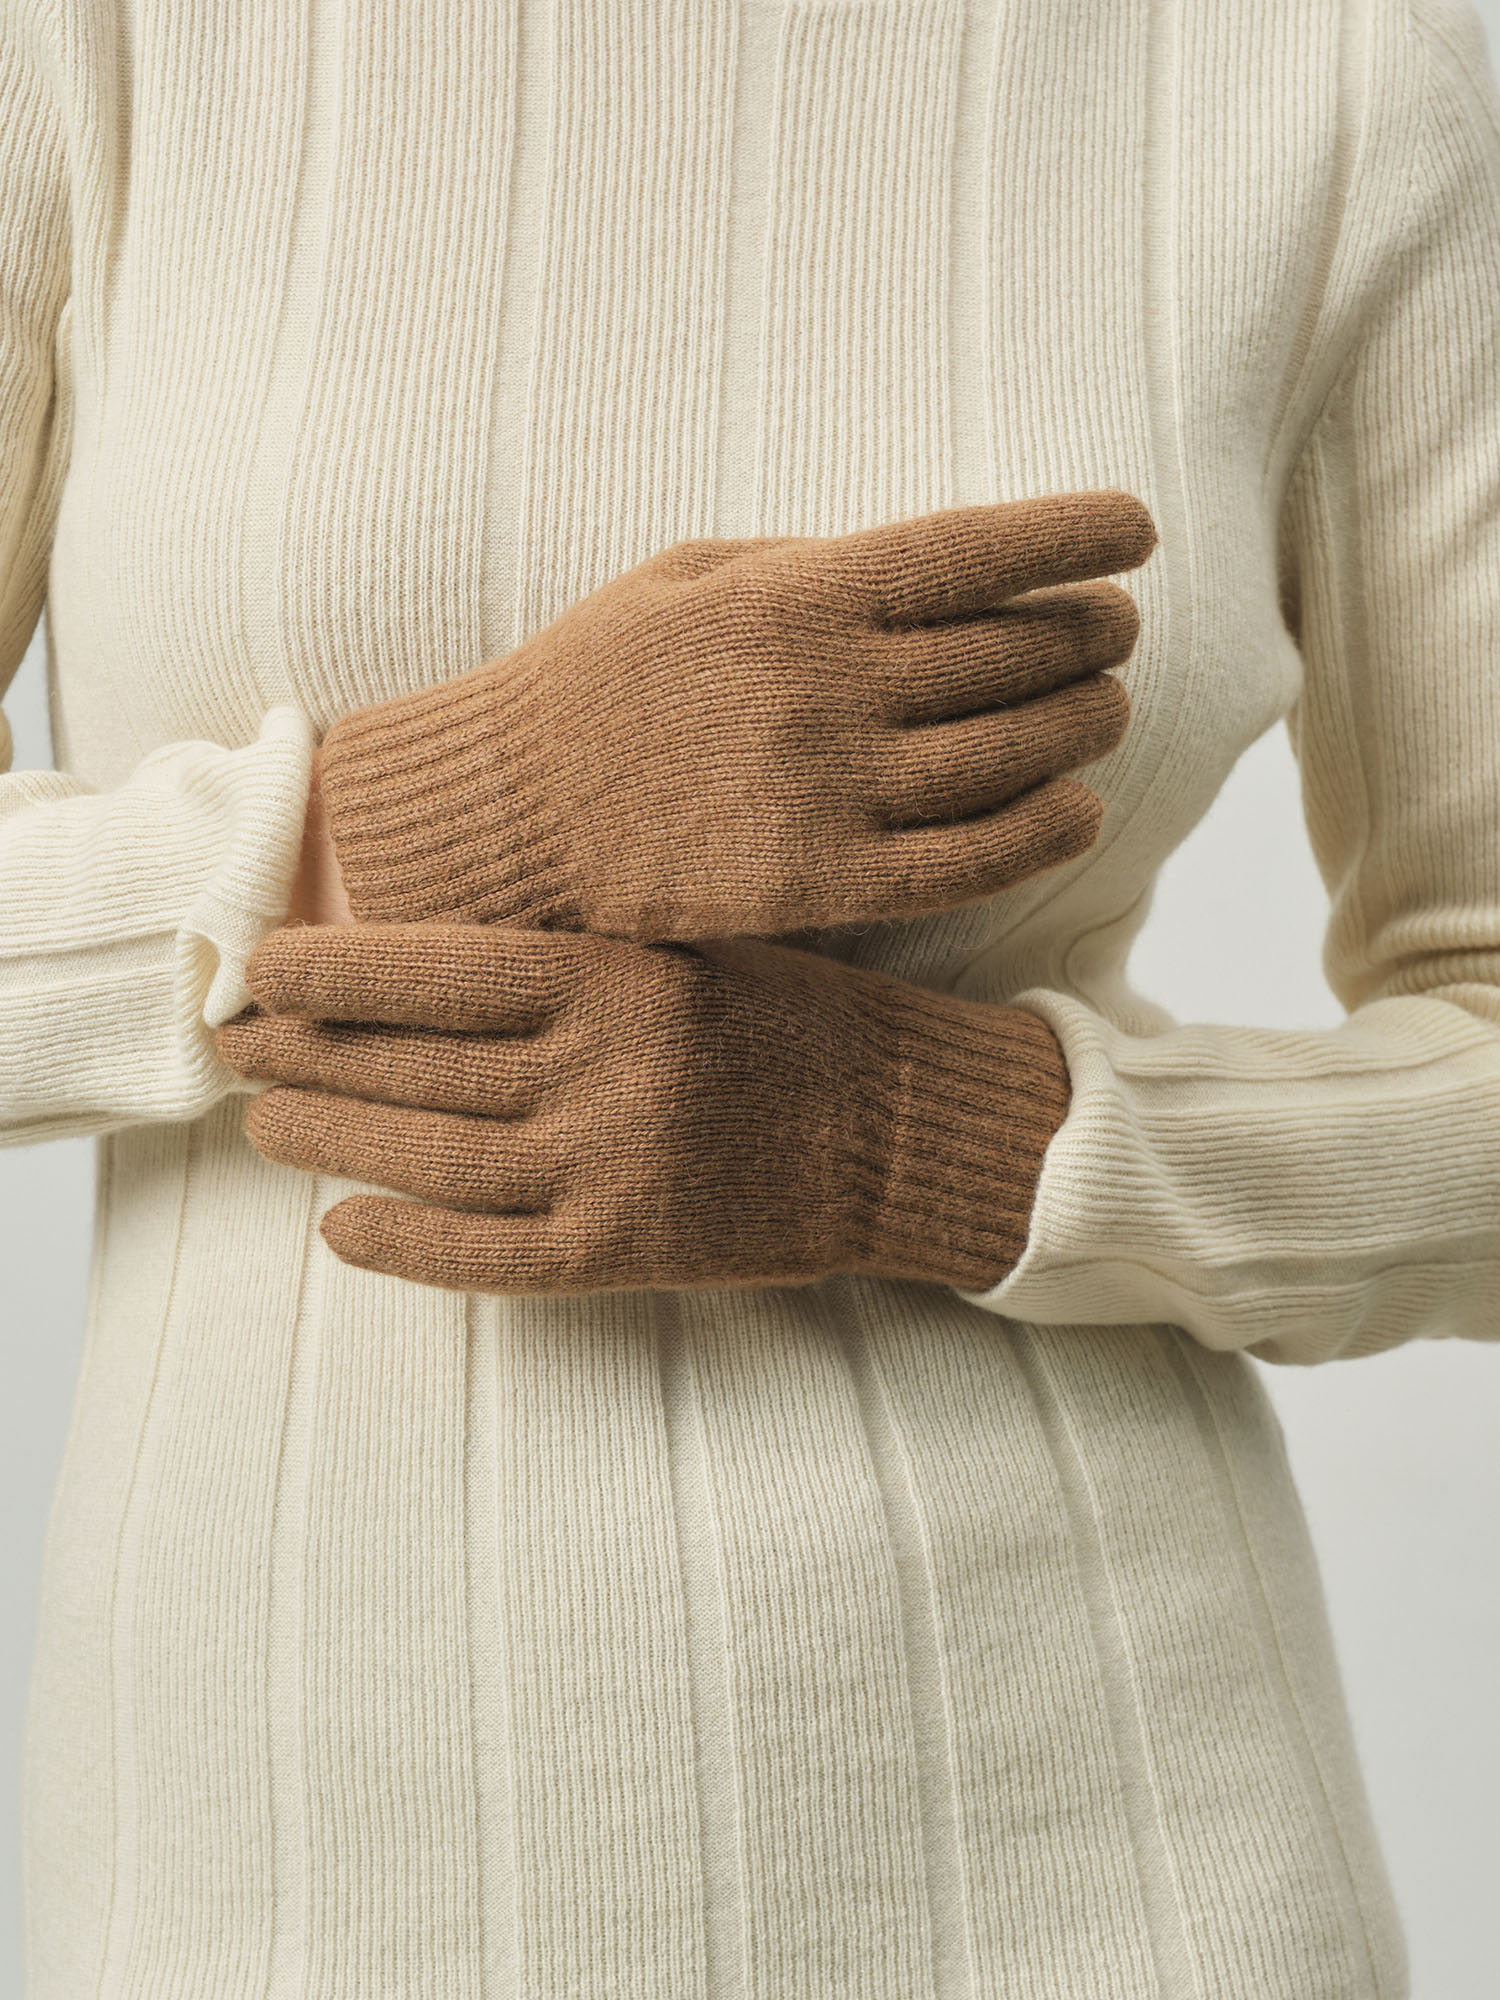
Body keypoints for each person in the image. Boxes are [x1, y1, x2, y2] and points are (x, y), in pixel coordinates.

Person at [3, 0, 1497, 1992]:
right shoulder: (94, 38)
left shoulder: (1327, 70)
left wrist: (928, 1143)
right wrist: (437, 822)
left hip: (1113, 1861)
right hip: (286, 1863)